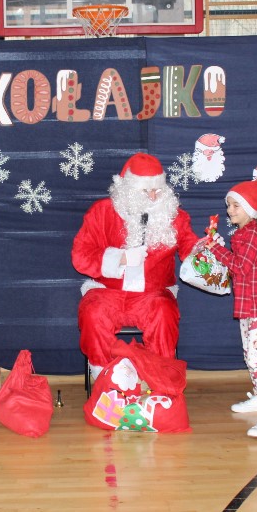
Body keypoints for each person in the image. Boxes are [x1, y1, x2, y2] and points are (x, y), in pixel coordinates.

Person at [72, 153, 202, 381]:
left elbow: (190, 248)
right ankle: (106, 381)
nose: (152, 197)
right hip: (107, 291)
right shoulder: (102, 212)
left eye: (158, 190)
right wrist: (120, 258)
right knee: (93, 314)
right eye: (145, 191)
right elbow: (80, 256)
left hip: (153, 294)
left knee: (164, 314)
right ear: (128, 189)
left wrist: (204, 250)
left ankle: (159, 382)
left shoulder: (175, 216)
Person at [200, 179, 257, 438]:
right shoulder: (244, 234)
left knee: (256, 359)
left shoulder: (252, 234)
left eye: (236, 205)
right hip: (250, 305)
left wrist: (216, 249)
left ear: (249, 208)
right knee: (250, 355)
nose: (230, 210)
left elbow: (240, 267)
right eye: (229, 205)